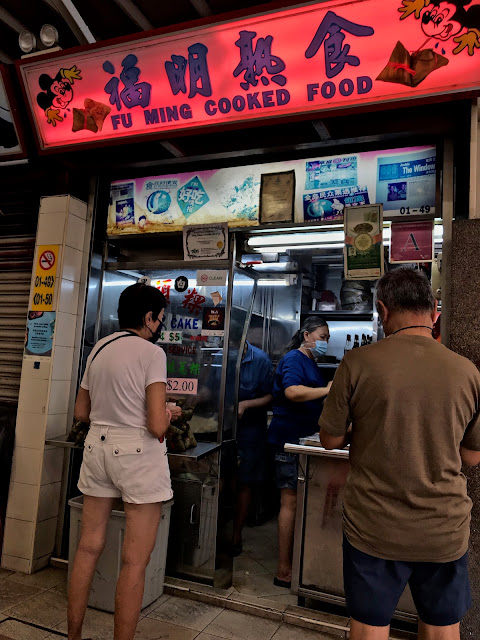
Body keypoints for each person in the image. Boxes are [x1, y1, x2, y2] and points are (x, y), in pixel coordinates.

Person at [319, 267, 480, 640]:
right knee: (442, 630)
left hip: (373, 528)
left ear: (382, 310)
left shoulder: (357, 363)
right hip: (443, 529)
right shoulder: (468, 373)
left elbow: (329, 439)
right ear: (434, 310)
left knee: (369, 628)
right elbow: (471, 458)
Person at [67, 283, 181, 640]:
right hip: (136, 454)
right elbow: (156, 424)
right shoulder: (152, 354)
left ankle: (73, 635)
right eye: (160, 319)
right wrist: (169, 412)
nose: (160, 326)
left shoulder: (99, 347)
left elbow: (81, 412)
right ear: (148, 318)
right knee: (134, 562)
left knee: (86, 548)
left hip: (96, 447)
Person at [268, 316, 332, 588]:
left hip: (303, 438)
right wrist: (326, 389)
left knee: (296, 501)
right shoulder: (295, 359)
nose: (325, 342)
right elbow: (292, 392)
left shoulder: (310, 361)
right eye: (322, 336)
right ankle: (284, 570)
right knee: (290, 501)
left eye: (327, 337)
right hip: (289, 440)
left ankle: (296, 562)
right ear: (306, 335)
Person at [233, 341, 274, 555]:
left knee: (244, 482)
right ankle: (217, 530)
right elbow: (210, 385)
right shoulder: (221, 354)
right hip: (222, 426)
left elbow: (271, 396)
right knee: (223, 479)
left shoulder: (260, 360)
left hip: (250, 431)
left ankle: (236, 535)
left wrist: (245, 405)